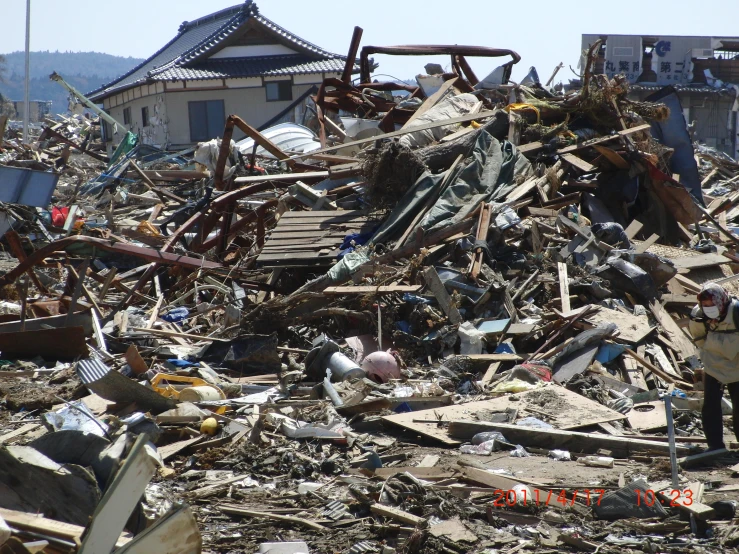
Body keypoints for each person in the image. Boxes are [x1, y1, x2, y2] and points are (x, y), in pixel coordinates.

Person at [689, 283, 739, 451]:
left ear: (721, 301)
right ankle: (715, 445)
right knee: (710, 405)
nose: (709, 308)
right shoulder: (698, 315)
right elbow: (698, 338)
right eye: (705, 305)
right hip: (713, 364)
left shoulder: (736, 312)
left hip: (737, 364)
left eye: (712, 304)